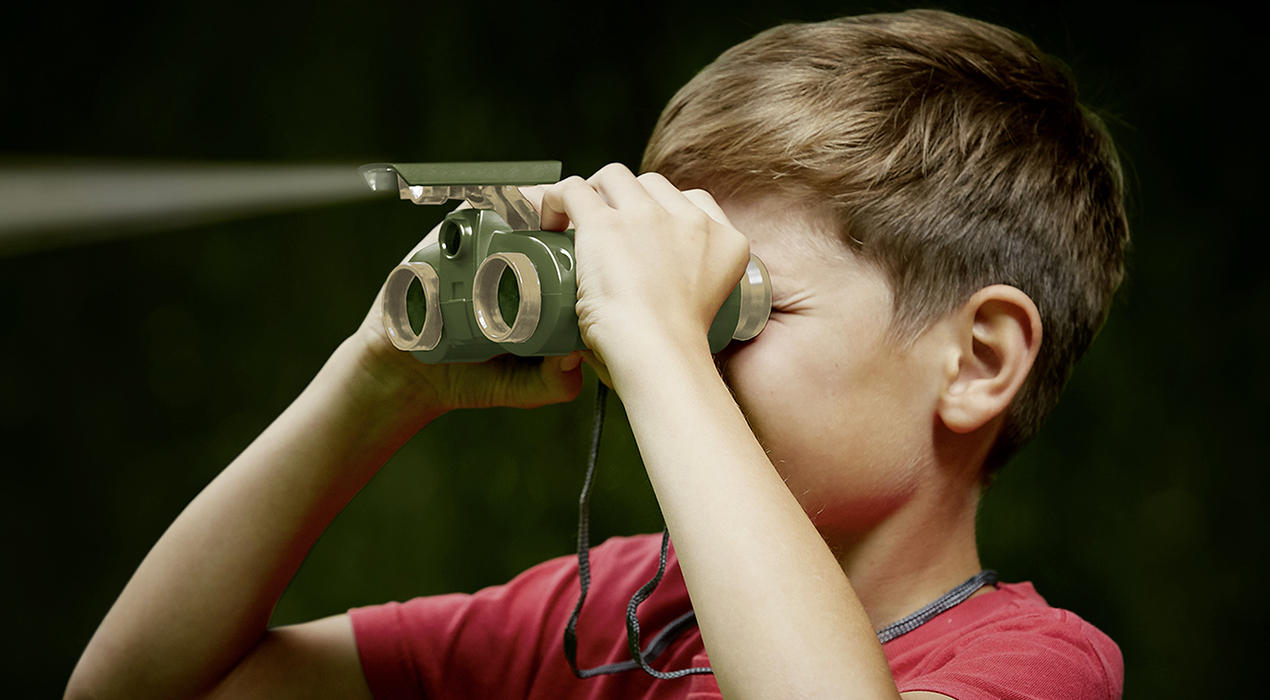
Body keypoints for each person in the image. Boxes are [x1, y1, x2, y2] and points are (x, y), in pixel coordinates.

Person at [65, 8, 1128, 699]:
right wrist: (375, 375)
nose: (681, 349)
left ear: (979, 359)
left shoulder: (1035, 667)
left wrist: (662, 341)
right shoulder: (618, 614)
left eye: (736, 308)